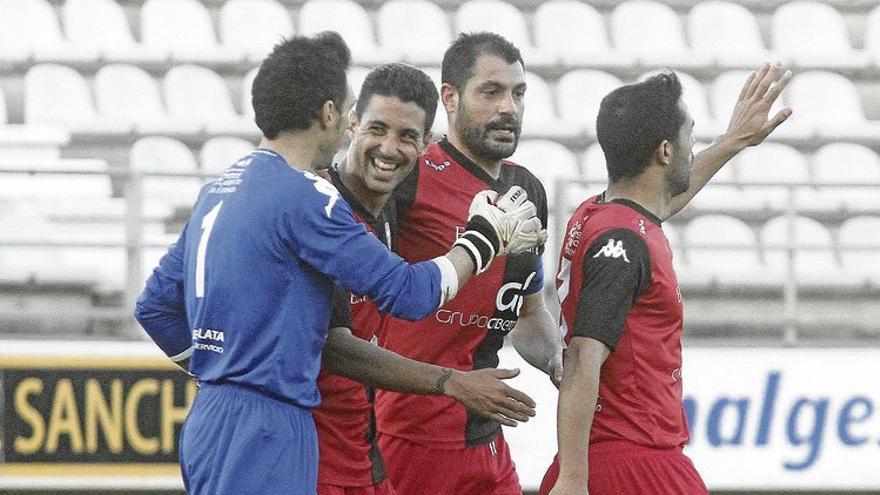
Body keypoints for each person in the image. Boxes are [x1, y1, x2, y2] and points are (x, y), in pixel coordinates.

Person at [133, 32, 545, 495]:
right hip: (275, 424)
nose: (390, 147)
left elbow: (153, 307)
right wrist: (483, 237)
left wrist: (216, 369)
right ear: (336, 117)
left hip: (237, 418)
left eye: (408, 136)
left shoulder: (220, 188)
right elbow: (408, 294)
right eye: (367, 122)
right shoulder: (310, 198)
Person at [540, 64, 792, 495]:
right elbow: (584, 356)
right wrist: (573, 480)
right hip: (634, 462)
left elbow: (664, 200)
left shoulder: (598, 215)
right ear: (665, 151)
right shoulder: (623, 244)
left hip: (604, 458)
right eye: (690, 137)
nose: (694, 149)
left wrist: (733, 142)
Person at [314, 62, 538, 495]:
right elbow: (343, 340)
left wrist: (557, 361)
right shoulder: (320, 207)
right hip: (321, 451)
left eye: (407, 137)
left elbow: (530, 308)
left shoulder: (381, 215)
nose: (389, 148)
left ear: (424, 146)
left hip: (364, 448)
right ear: (351, 124)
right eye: (377, 129)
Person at [374, 32, 565, 495]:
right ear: (450, 98)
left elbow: (527, 312)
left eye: (519, 94)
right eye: (491, 92)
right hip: (408, 437)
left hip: (488, 437)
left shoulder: (527, 191)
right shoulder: (411, 174)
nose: (509, 107)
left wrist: (562, 364)